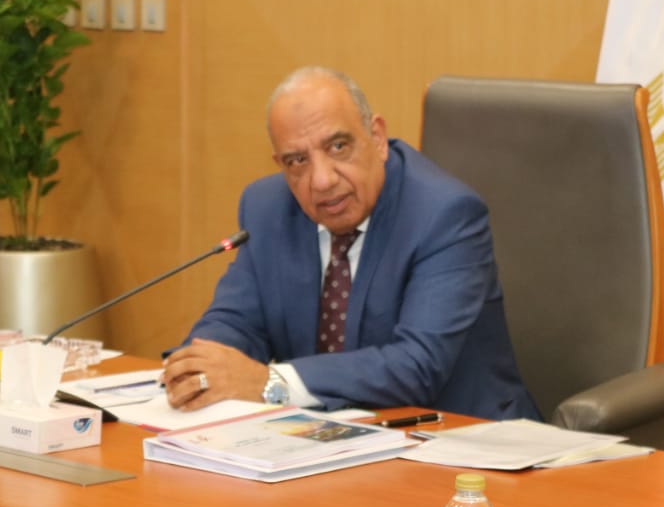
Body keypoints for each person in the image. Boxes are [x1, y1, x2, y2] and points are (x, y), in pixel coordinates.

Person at [161, 67, 539, 421]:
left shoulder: (443, 214)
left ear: (377, 138)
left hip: (460, 436)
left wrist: (270, 383)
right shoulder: (267, 208)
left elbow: (417, 366)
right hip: (329, 438)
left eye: (338, 146)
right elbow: (236, 321)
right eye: (297, 160)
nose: (322, 180)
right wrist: (199, 368)